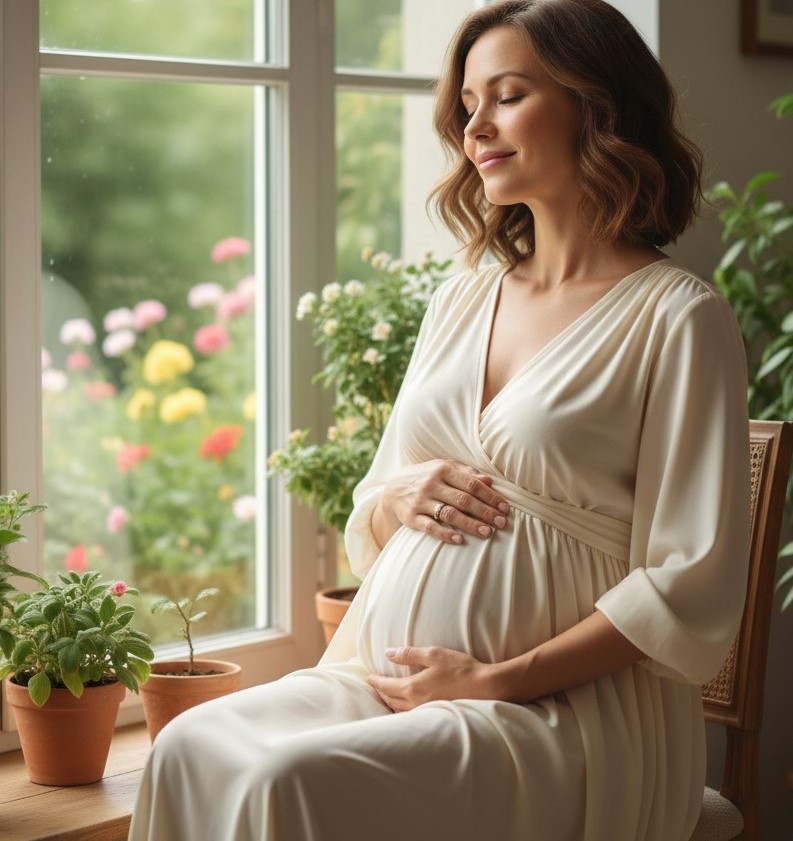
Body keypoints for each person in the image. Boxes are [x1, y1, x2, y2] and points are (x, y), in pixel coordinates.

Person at [128, 1, 750, 839]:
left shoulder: (678, 318)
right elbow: (376, 505)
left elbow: (688, 581)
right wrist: (399, 495)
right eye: (467, 105)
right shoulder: (461, 295)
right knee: (188, 743)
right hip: (386, 672)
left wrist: (494, 678)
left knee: (289, 779)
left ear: (594, 104)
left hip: (565, 710)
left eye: (507, 95)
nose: (475, 126)